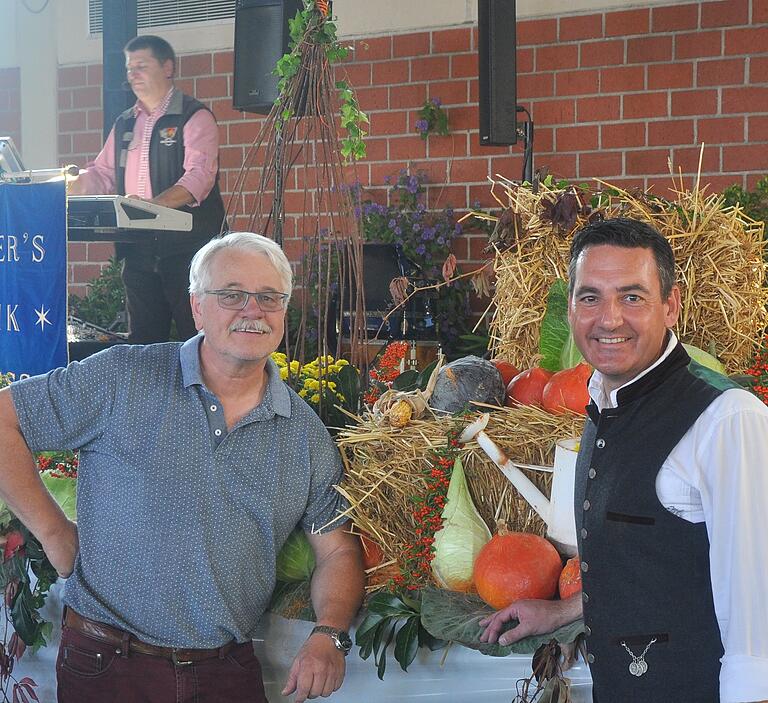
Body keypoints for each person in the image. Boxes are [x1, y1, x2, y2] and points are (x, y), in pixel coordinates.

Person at [0, 232, 364, 703]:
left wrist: (329, 633)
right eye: (231, 294)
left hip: (225, 675)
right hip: (109, 666)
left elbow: (337, 552)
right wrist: (52, 531)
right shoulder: (121, 379)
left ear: (283, 310)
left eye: (269, 297)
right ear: (196, 307)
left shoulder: (303, 434)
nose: (252, 310)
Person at [479, 218, 768, 703]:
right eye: (590, 297)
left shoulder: (728, 418)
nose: (609, 319)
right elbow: (650, 564)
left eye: (632, 296)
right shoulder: (604, 399)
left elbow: (756, 617)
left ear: (670, 306)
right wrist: (561, 612)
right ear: (571, 308)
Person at [69, 34, 226, 344]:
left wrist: (151, 206)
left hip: (188, 252)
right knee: (143, 344)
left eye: (141, 66)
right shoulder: (125, 123)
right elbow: (103, 173)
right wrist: (68, 184)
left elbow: (199, 178)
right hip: (139, 251)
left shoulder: (194, 116)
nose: (133, 75)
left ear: (167, 67)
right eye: (129, 69)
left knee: (197, 340)